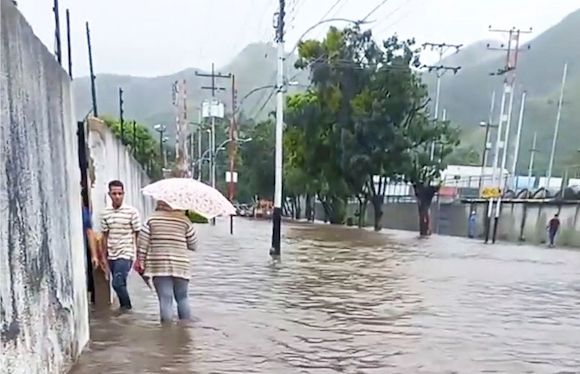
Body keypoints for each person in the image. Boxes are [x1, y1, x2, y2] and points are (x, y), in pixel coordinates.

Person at [137, 201, 198, 323]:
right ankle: (185, 330)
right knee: (182, 298)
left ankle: (167, 333)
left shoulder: (151, 219)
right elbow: (193, 245)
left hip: (159, 265)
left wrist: (141, 262)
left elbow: (142, 244)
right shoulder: (184, 220)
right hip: (181, 265)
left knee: (165, 299)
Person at [100, 180, 141, 310]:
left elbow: (137, 235)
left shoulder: (132, 212)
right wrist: (103, 257)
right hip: (112, 255)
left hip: (126, 253)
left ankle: (126, 309)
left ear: (124, 194)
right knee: (120, 283)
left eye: (120, 193)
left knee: (117, 283)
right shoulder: (105, 213)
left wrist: (139, 257)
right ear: (109, 194)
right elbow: (104, 236)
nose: (117, 196)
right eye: (114, 193)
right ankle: (124, 314)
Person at [82, 191, 99, 304]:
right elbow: (89, 232)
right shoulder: (84, 212)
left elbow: (89, 232)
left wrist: (94, 255)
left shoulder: (84, 213)